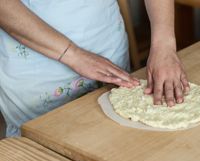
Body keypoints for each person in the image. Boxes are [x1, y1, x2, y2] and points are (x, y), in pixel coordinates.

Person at [0, 0, 190, 137]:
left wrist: (164, 43)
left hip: (107, 46)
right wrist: (72, 54)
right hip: (37, 63)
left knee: (117, 138)